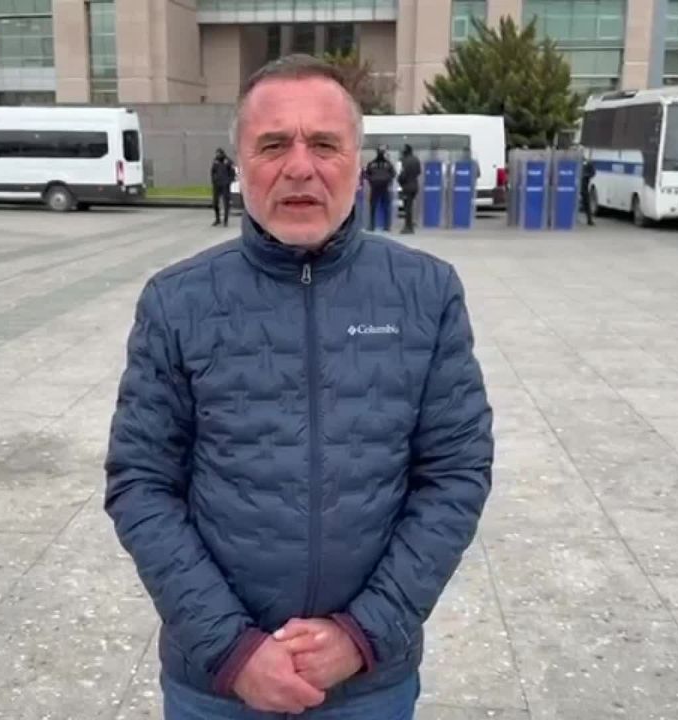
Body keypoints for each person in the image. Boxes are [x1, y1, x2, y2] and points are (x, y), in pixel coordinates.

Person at [105, 54, 494, 720]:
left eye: (324, 144)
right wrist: (233, 651)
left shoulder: (427, 293)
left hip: (369, 684)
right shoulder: (176, 301)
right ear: (241, 161)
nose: (299, 167)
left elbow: (455, 475)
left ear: (357, 160)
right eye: (273, 145)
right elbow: (141, 483)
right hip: (216, 686)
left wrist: (362, 634)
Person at [365, 147, 396, 232]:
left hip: (375, 187)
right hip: (384, 187)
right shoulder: (388, 163)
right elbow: (393, 174)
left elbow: (366, 174)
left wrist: (372, 180)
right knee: (386, 207)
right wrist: (388, 180)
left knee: (373, 207)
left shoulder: (372, 163)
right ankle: (387, 226)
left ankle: (372, 226)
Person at [211, 148, 237, 227]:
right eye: (216, 154)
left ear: (222, 154)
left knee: (226, 203)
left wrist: (229, 181)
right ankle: (217, 219)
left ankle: (225, 220)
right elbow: (212, 171)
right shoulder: (215, 161)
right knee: (215, 203)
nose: (217, 155)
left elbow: (233, 173)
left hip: (225, 185)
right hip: (217, 185)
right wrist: (214, 180)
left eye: (219, 154)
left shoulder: (228, 161)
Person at [397, 144, 420, 234]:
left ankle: (408, 227)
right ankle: (410, 226)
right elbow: (419, 172)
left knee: (407, 208)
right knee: (409, 206)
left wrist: (400, 181)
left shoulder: (403, 160)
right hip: (415, 185)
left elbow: (402, 174)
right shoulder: (416, 160)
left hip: (406, 186)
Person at [580, 154, 596, 226]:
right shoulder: (575, 162)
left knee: (586, 202)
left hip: (584, 185)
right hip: (576, 185)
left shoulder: (587, 163)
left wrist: (586, 176)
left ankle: (589, 220)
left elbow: (593, 172)